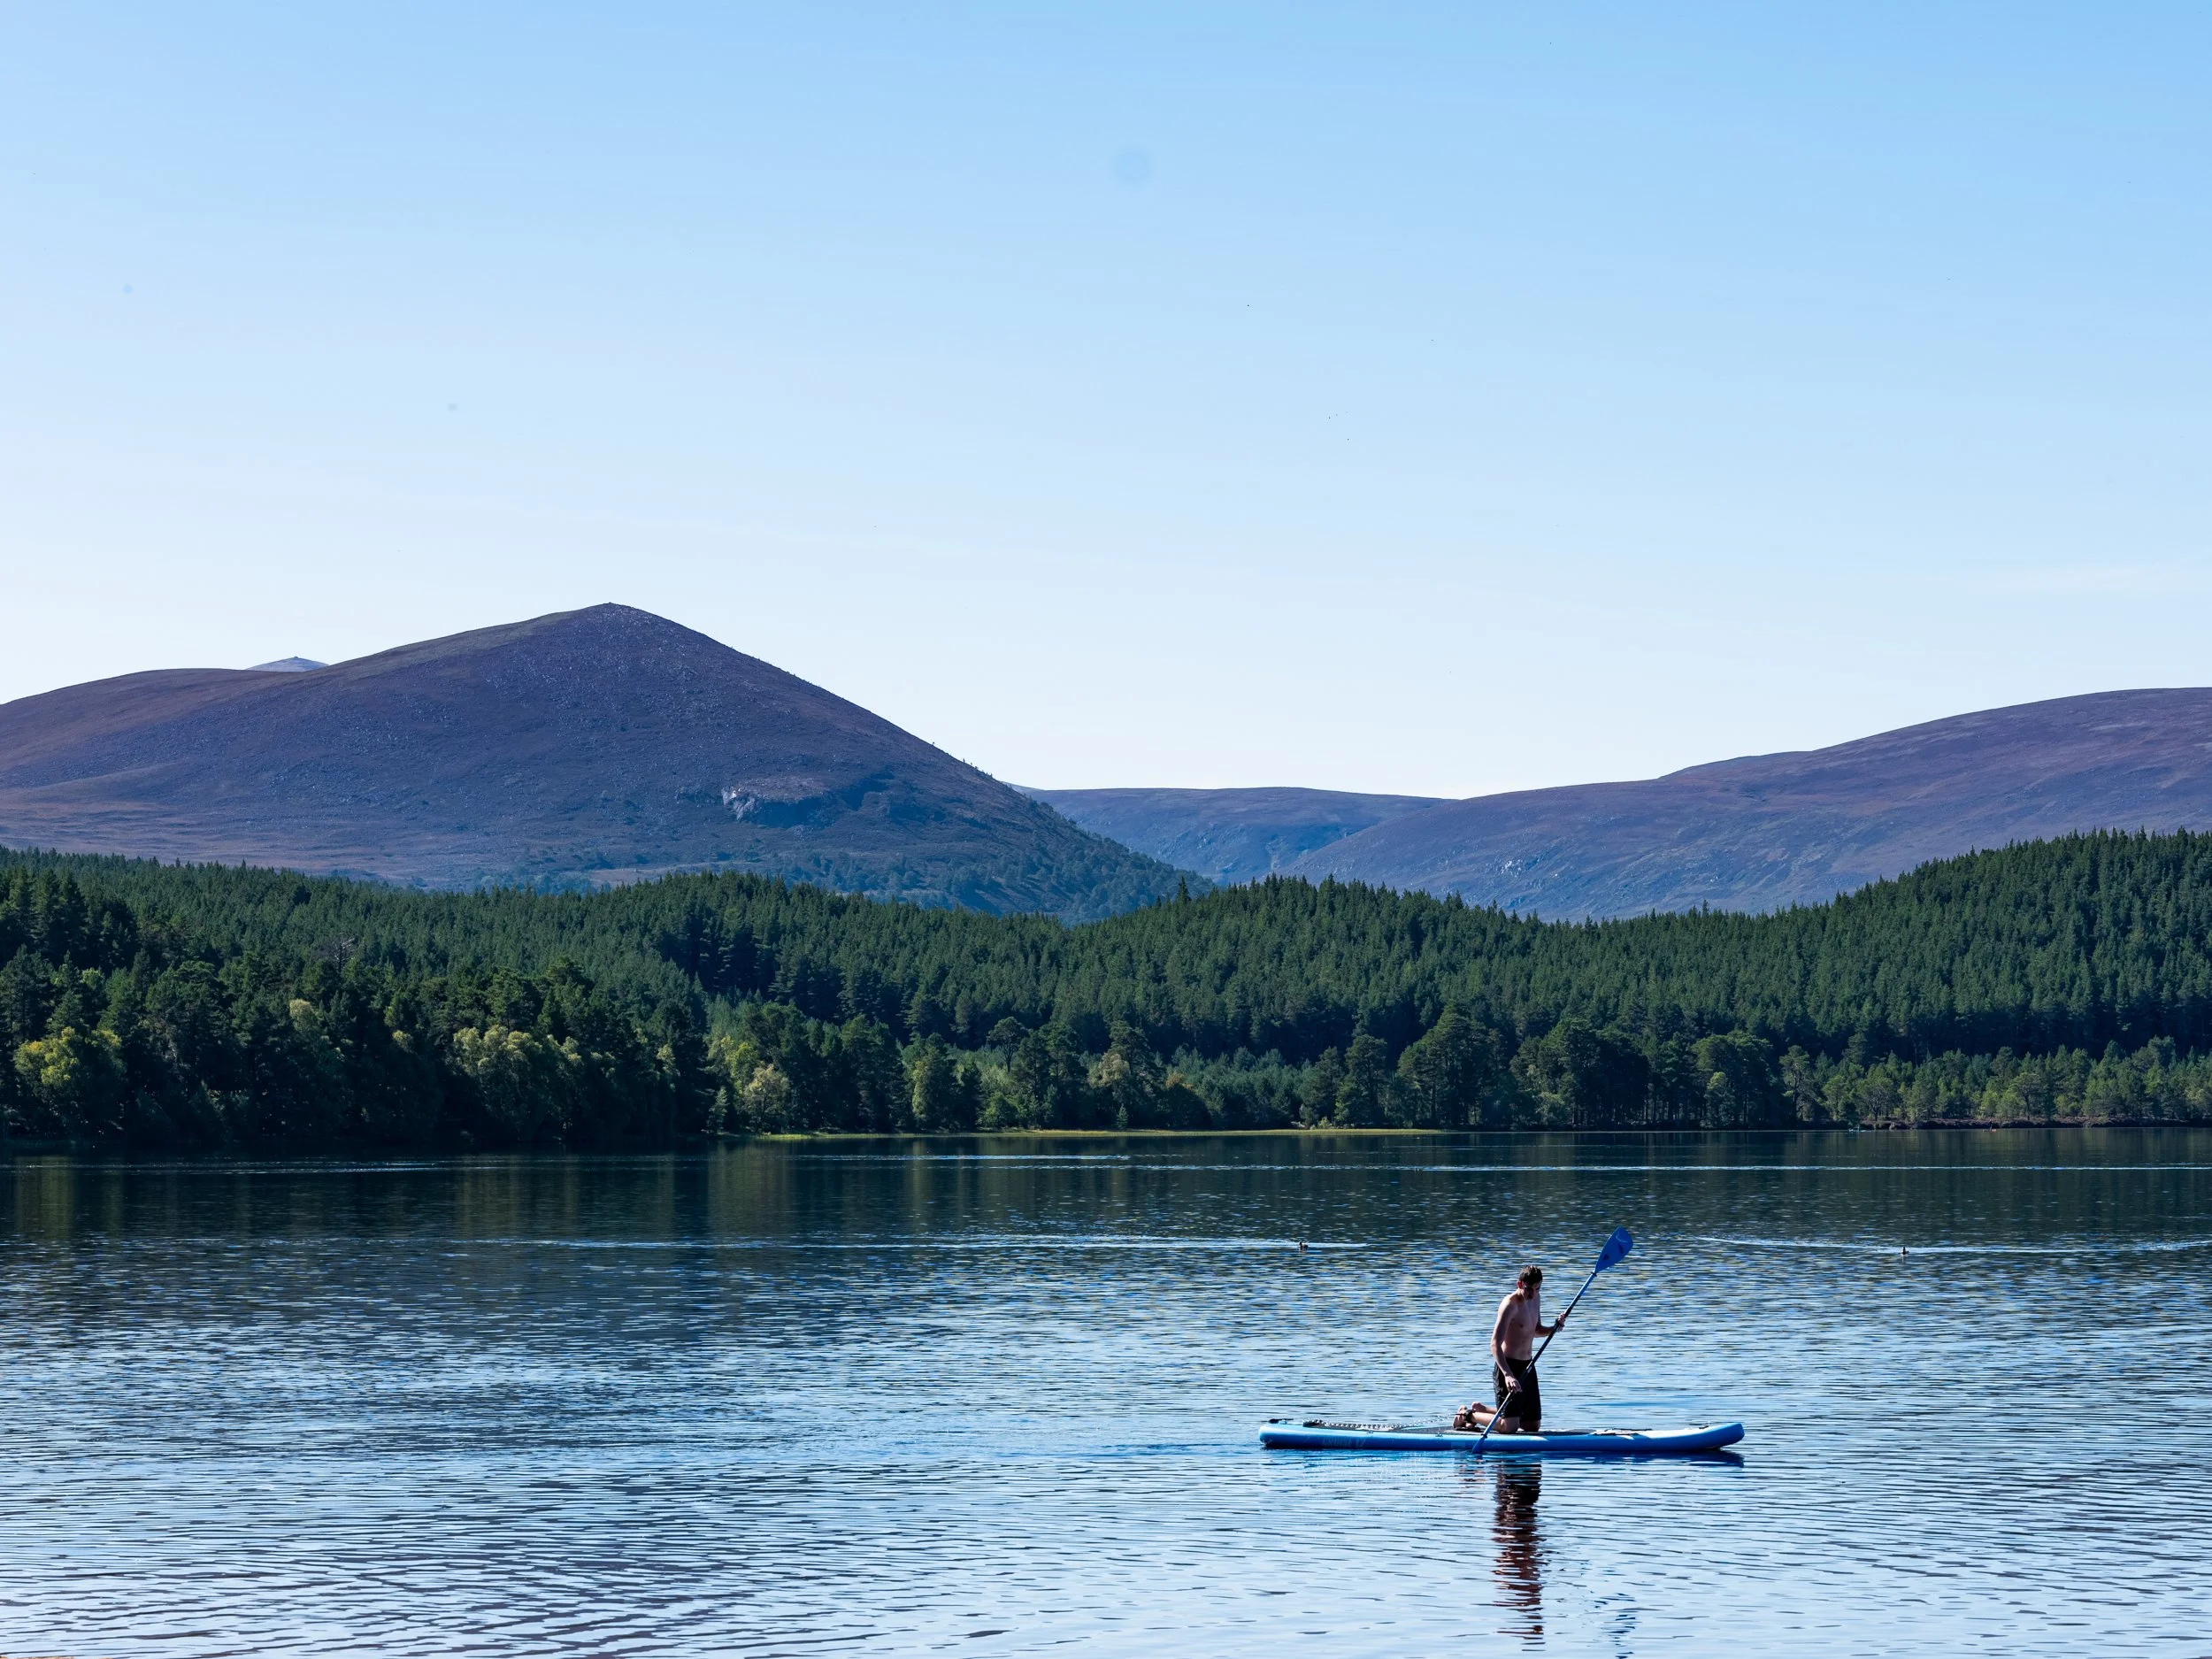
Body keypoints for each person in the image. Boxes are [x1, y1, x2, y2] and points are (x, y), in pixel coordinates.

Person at [1454, 1265, 1565, 1433]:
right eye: (1528, 1289)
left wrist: (1554, 1328)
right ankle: (1467, 1415)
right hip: (1508, 1366)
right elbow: (1494, 1344)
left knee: (1532, 1426)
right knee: (1509, 1427)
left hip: (1528, 1366)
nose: (1532, 1294)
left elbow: (1535, 1330)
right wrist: (1507, 1375)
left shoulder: (1536, 1298)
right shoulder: (1510, 1305)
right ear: (1519, 1284)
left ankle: (1482, 1410)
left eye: (1537, 1288)